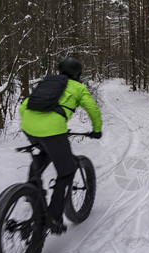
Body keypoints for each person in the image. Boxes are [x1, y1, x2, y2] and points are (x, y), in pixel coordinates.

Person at [18, 57, 102, 233]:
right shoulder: (78, 87)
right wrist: (96, 129)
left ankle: (32, 188)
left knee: (44, 152)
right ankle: (54, 218)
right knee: (68, 170)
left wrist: (34, 123)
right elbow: (92, 109)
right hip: (54, 130)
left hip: (28, 126)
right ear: (78, 73)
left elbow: (23, 106)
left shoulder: (47, 82)